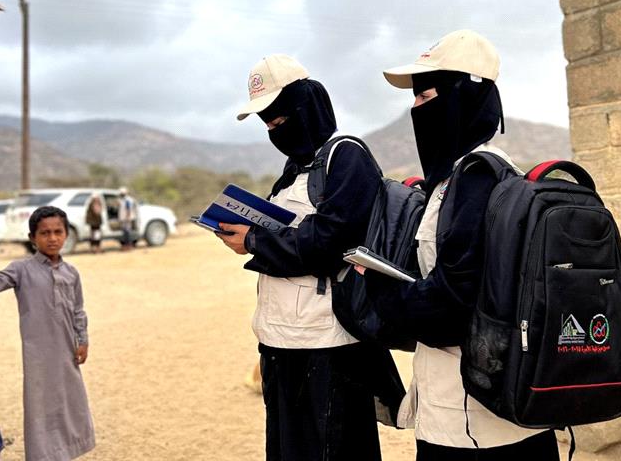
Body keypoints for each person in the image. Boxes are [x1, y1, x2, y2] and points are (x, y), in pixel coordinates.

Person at [359, 30, 560, 460]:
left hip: (473, 417)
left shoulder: (477, 180)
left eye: (425, 94)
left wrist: (380, 287)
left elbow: (451, 305)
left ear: (463, 97)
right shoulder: (459, 179)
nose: (416, 108)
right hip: (474, 404)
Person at [216, 54, 385, 461]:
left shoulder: (346, 156)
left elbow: (331, 242)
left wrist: (255, 242)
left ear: (307, 107)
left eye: (279, 120)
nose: (274, 131)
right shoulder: (294, 170)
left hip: (327, 344)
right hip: (279, 341)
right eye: (268, 125)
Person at [0, 207, 96, 461]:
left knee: (70, 401)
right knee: (41, 405)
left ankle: (67, 452)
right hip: (38, 354)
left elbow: (78, 310)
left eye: (58, 232)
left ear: (67, 234)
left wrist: (83, 340)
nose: (52, 238)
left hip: (67, 352)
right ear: (32, 238)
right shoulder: (21, 269)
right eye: (45, 233)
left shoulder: (71, 273)